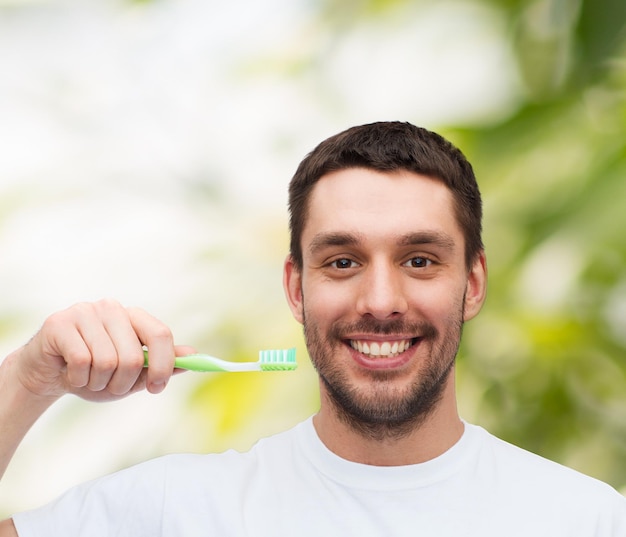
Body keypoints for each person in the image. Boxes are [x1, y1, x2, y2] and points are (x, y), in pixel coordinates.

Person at [0, 121, 624, 536]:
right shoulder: (176, 513)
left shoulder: (587, 521)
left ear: (475, 283)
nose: (381, 301)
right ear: (297, 288)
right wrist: (28, 379)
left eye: (420, 260)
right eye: (343, 261)